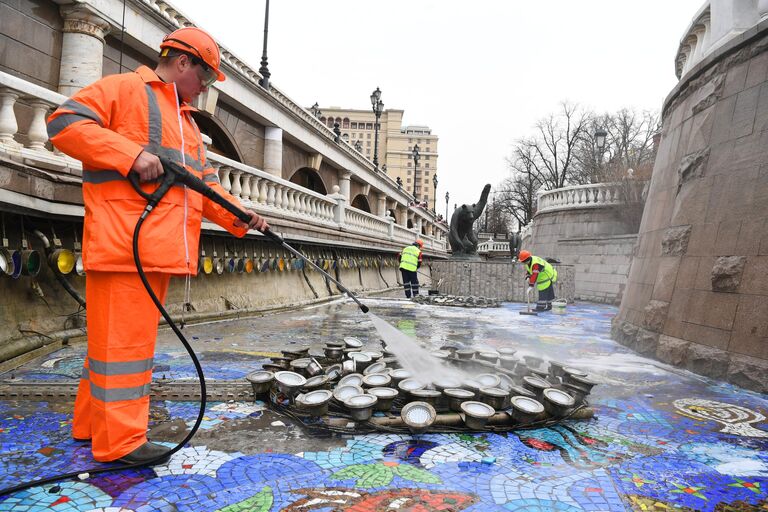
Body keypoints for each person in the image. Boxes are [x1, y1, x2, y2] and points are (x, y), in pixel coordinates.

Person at [46, 27, 268, 465]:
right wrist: (129, 155)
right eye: (205, 78)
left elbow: (202, 187)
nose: (205, 89)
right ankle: (122, 444)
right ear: (183, 61)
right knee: (124, 353)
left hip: (158, 251)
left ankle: (91, 427)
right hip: (125, 246)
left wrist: (240, 217)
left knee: (109, 350)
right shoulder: (124, 89)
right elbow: (62, 123)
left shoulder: (185, 123)